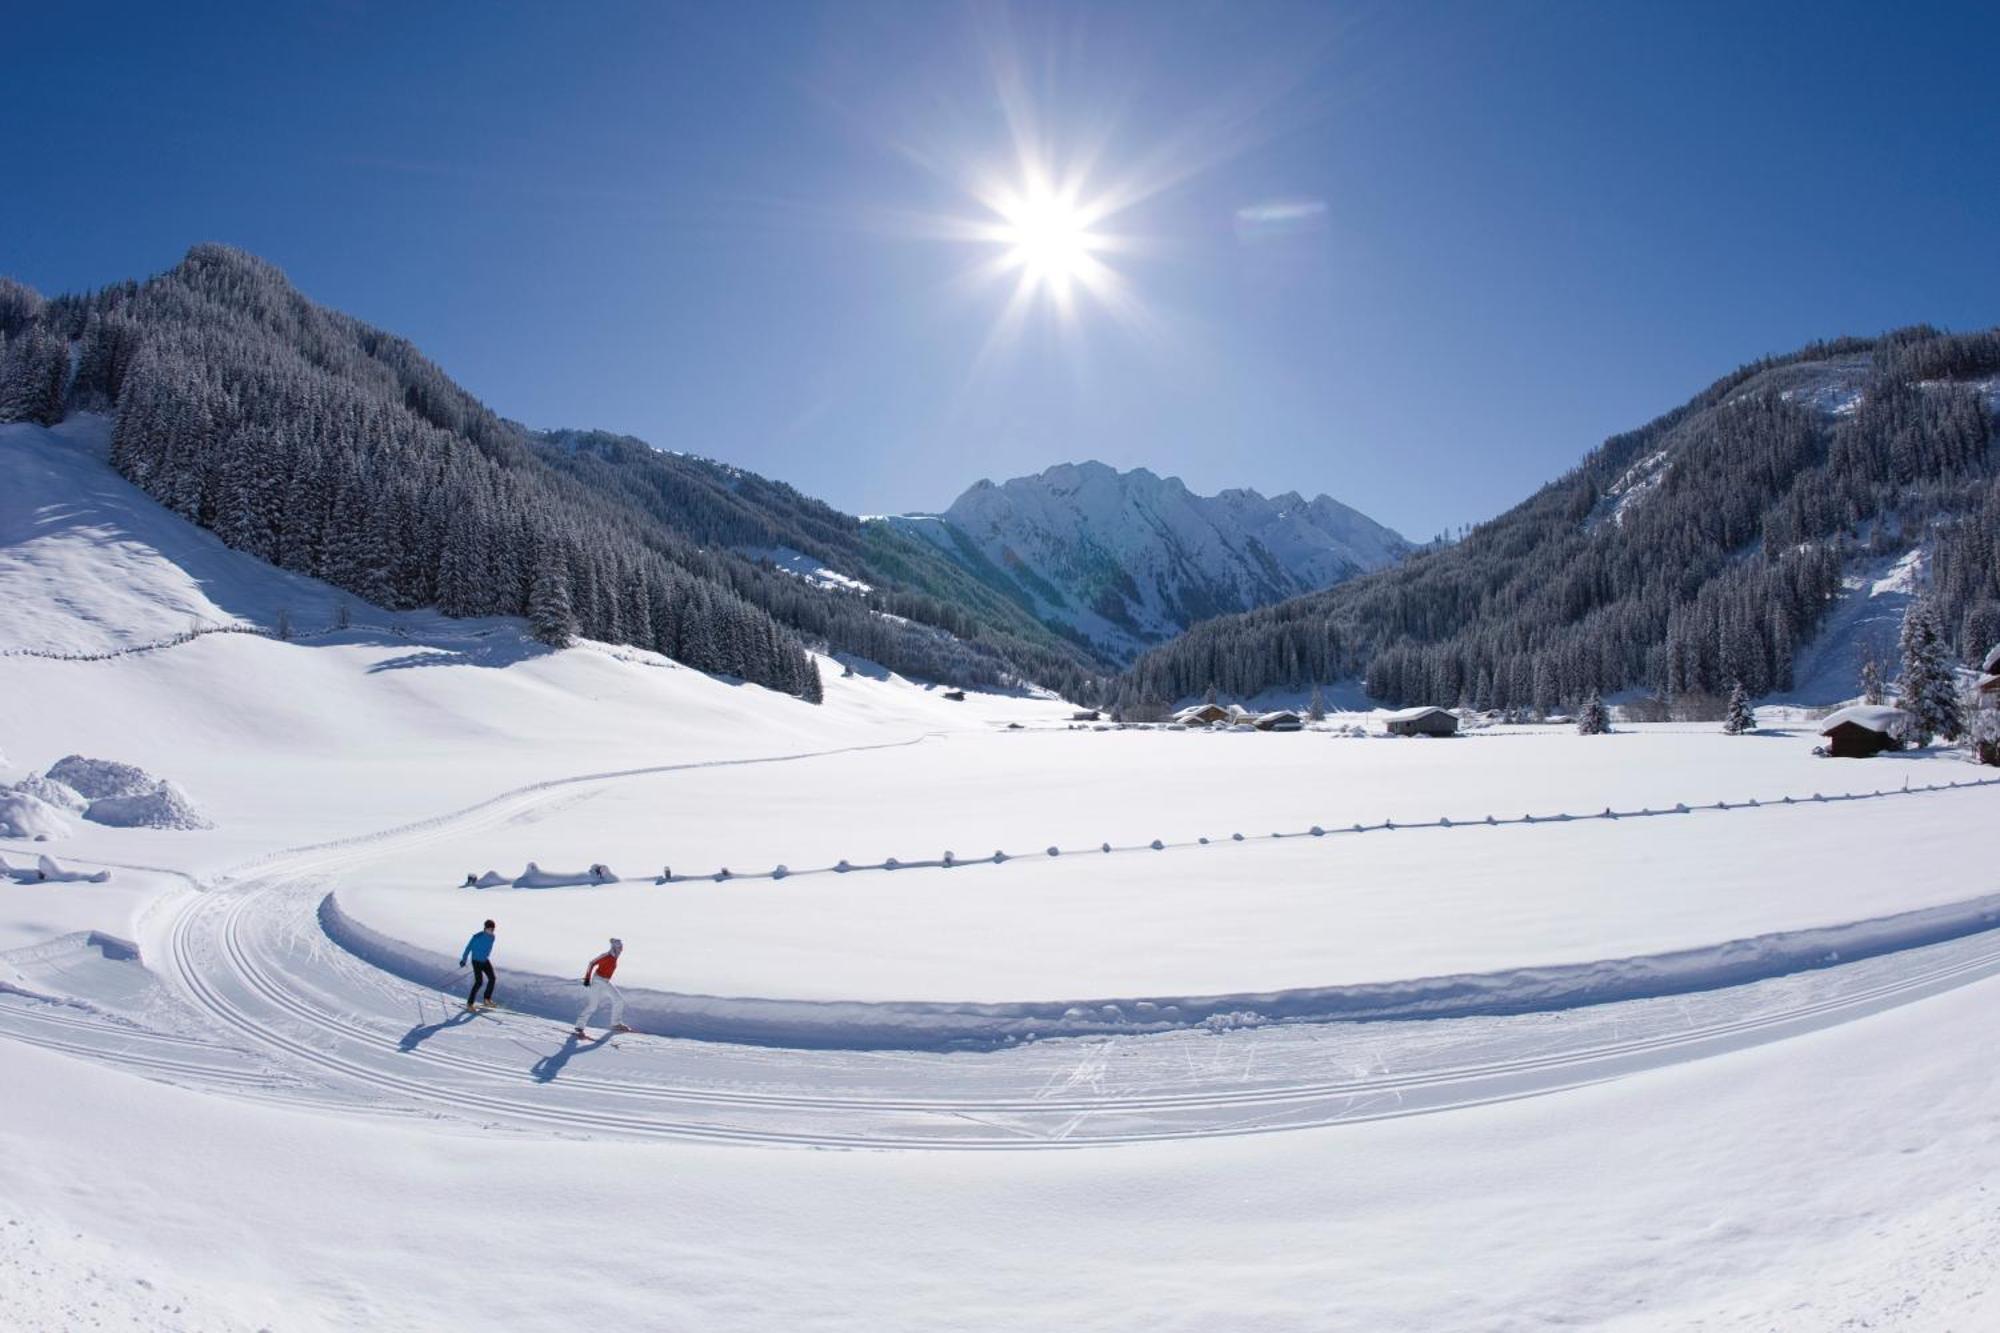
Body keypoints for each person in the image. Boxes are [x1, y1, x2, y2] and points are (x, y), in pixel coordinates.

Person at [574, 937, 629, 1037]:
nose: (621, 949)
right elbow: (591, 963)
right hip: (598, 980)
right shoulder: (606, 956)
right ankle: (579, 1027)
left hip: (605, 981)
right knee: (593, 1005)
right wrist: (587, 978)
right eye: (619, 947)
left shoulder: (615, 957)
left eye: (621, 947)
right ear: (614, 947)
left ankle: (616, 1024)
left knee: (618, 1000)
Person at [459, 919, 498, 1010]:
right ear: (485, 928)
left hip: (485, 960)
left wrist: (485, 957)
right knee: (479, 982)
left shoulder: (492, 937)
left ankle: (486, 999)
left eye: (493, 929)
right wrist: (464, 960)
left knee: (492, 978)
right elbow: (468, 948)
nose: (492, 931)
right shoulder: (477, 936)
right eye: (490, 929)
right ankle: (470, 1003)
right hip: (476, 961)